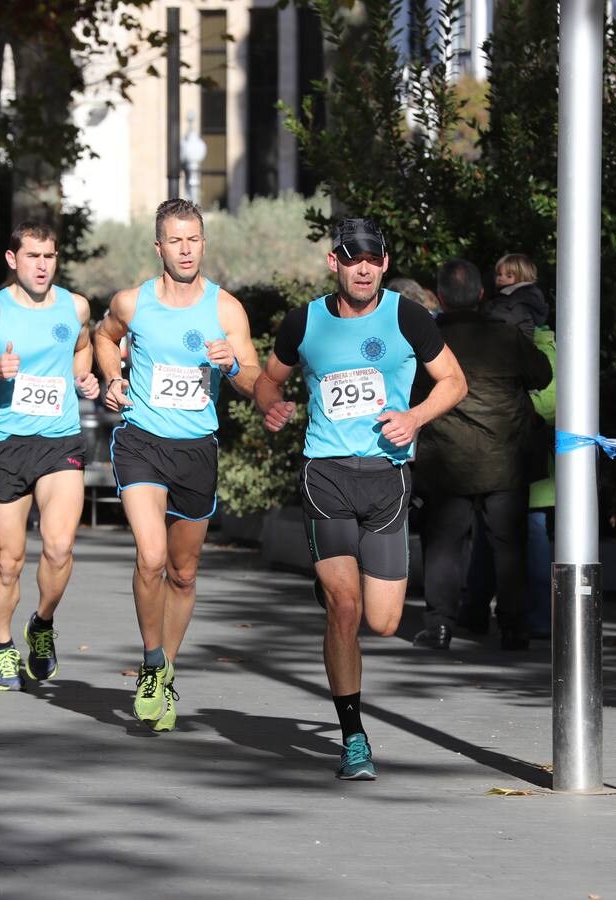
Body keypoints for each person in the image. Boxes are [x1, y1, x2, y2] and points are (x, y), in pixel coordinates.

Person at [255, 218, 466, 780]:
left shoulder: (408, 317)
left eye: (373, 259)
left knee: (383, 621)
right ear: (335, 264)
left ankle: (333, 587)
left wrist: (415, 416)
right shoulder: (306, 322)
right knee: (346, 608)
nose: (364, 268)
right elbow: (267, 380)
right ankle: (354, 737)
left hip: (386, 480)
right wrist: (270, 405)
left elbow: (454, 382)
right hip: (325, 474)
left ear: (385, 264)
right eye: (352, 259)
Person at [93, 198, 260, 733]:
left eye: (194, 240)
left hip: (196, 449)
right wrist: (111, 379)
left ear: (203, 245)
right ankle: (148, 663)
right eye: (175, 240)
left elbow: (255, 379)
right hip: (141, 440)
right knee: (151, 557)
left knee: (183, 574)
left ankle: (167, 669)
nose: (185, 250)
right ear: (158, 246)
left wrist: (232, 364)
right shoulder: (132, 302)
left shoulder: (226, 309)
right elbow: (102, 337)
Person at [0, 222, 100, 691]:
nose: (42, 265)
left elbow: (83, 349)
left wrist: (85, 378)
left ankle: (41, 624)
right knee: (9, 561)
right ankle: (1, 646)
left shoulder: (75, 307)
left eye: (50, 257)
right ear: (13, 260)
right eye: (33, 256)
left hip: (61, 442)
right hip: (9, 445)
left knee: (58, 547)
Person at [410, 258, 551, 652]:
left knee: (443, 545)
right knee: (509, 546)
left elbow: (412, 392)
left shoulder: (429, 339)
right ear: (482, 294)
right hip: (506, 457)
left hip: (447, 459)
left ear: (440, 297)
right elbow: (542, 374)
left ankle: (439, 625)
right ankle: (514, 628)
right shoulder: (506, 336)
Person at [465, 321, 557, 639]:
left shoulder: (545, 349)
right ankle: (477, 611)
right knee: (490, 544)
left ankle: (534, 618)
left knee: (523, 545)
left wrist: (510, 406)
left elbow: (552, 402)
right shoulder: (501, 343)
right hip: (497, 460)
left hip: (527, 471)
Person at [486, 252, 549, 338]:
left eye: (509, 276)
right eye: (499, 274)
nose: (501, 278)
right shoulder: (505, 296)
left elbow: (499, 321)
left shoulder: (519, 300)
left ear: (523, 277)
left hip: (515, 346)